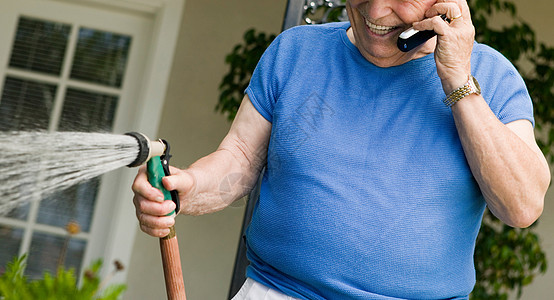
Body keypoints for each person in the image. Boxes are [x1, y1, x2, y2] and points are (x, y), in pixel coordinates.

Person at [132, 0, 551, 298]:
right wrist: (185, 188)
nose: (374, 11)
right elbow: (239, 159)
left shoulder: (492, 76)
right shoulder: (295, 51)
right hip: (277, 291)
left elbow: (522, 206)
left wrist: (457, 79)